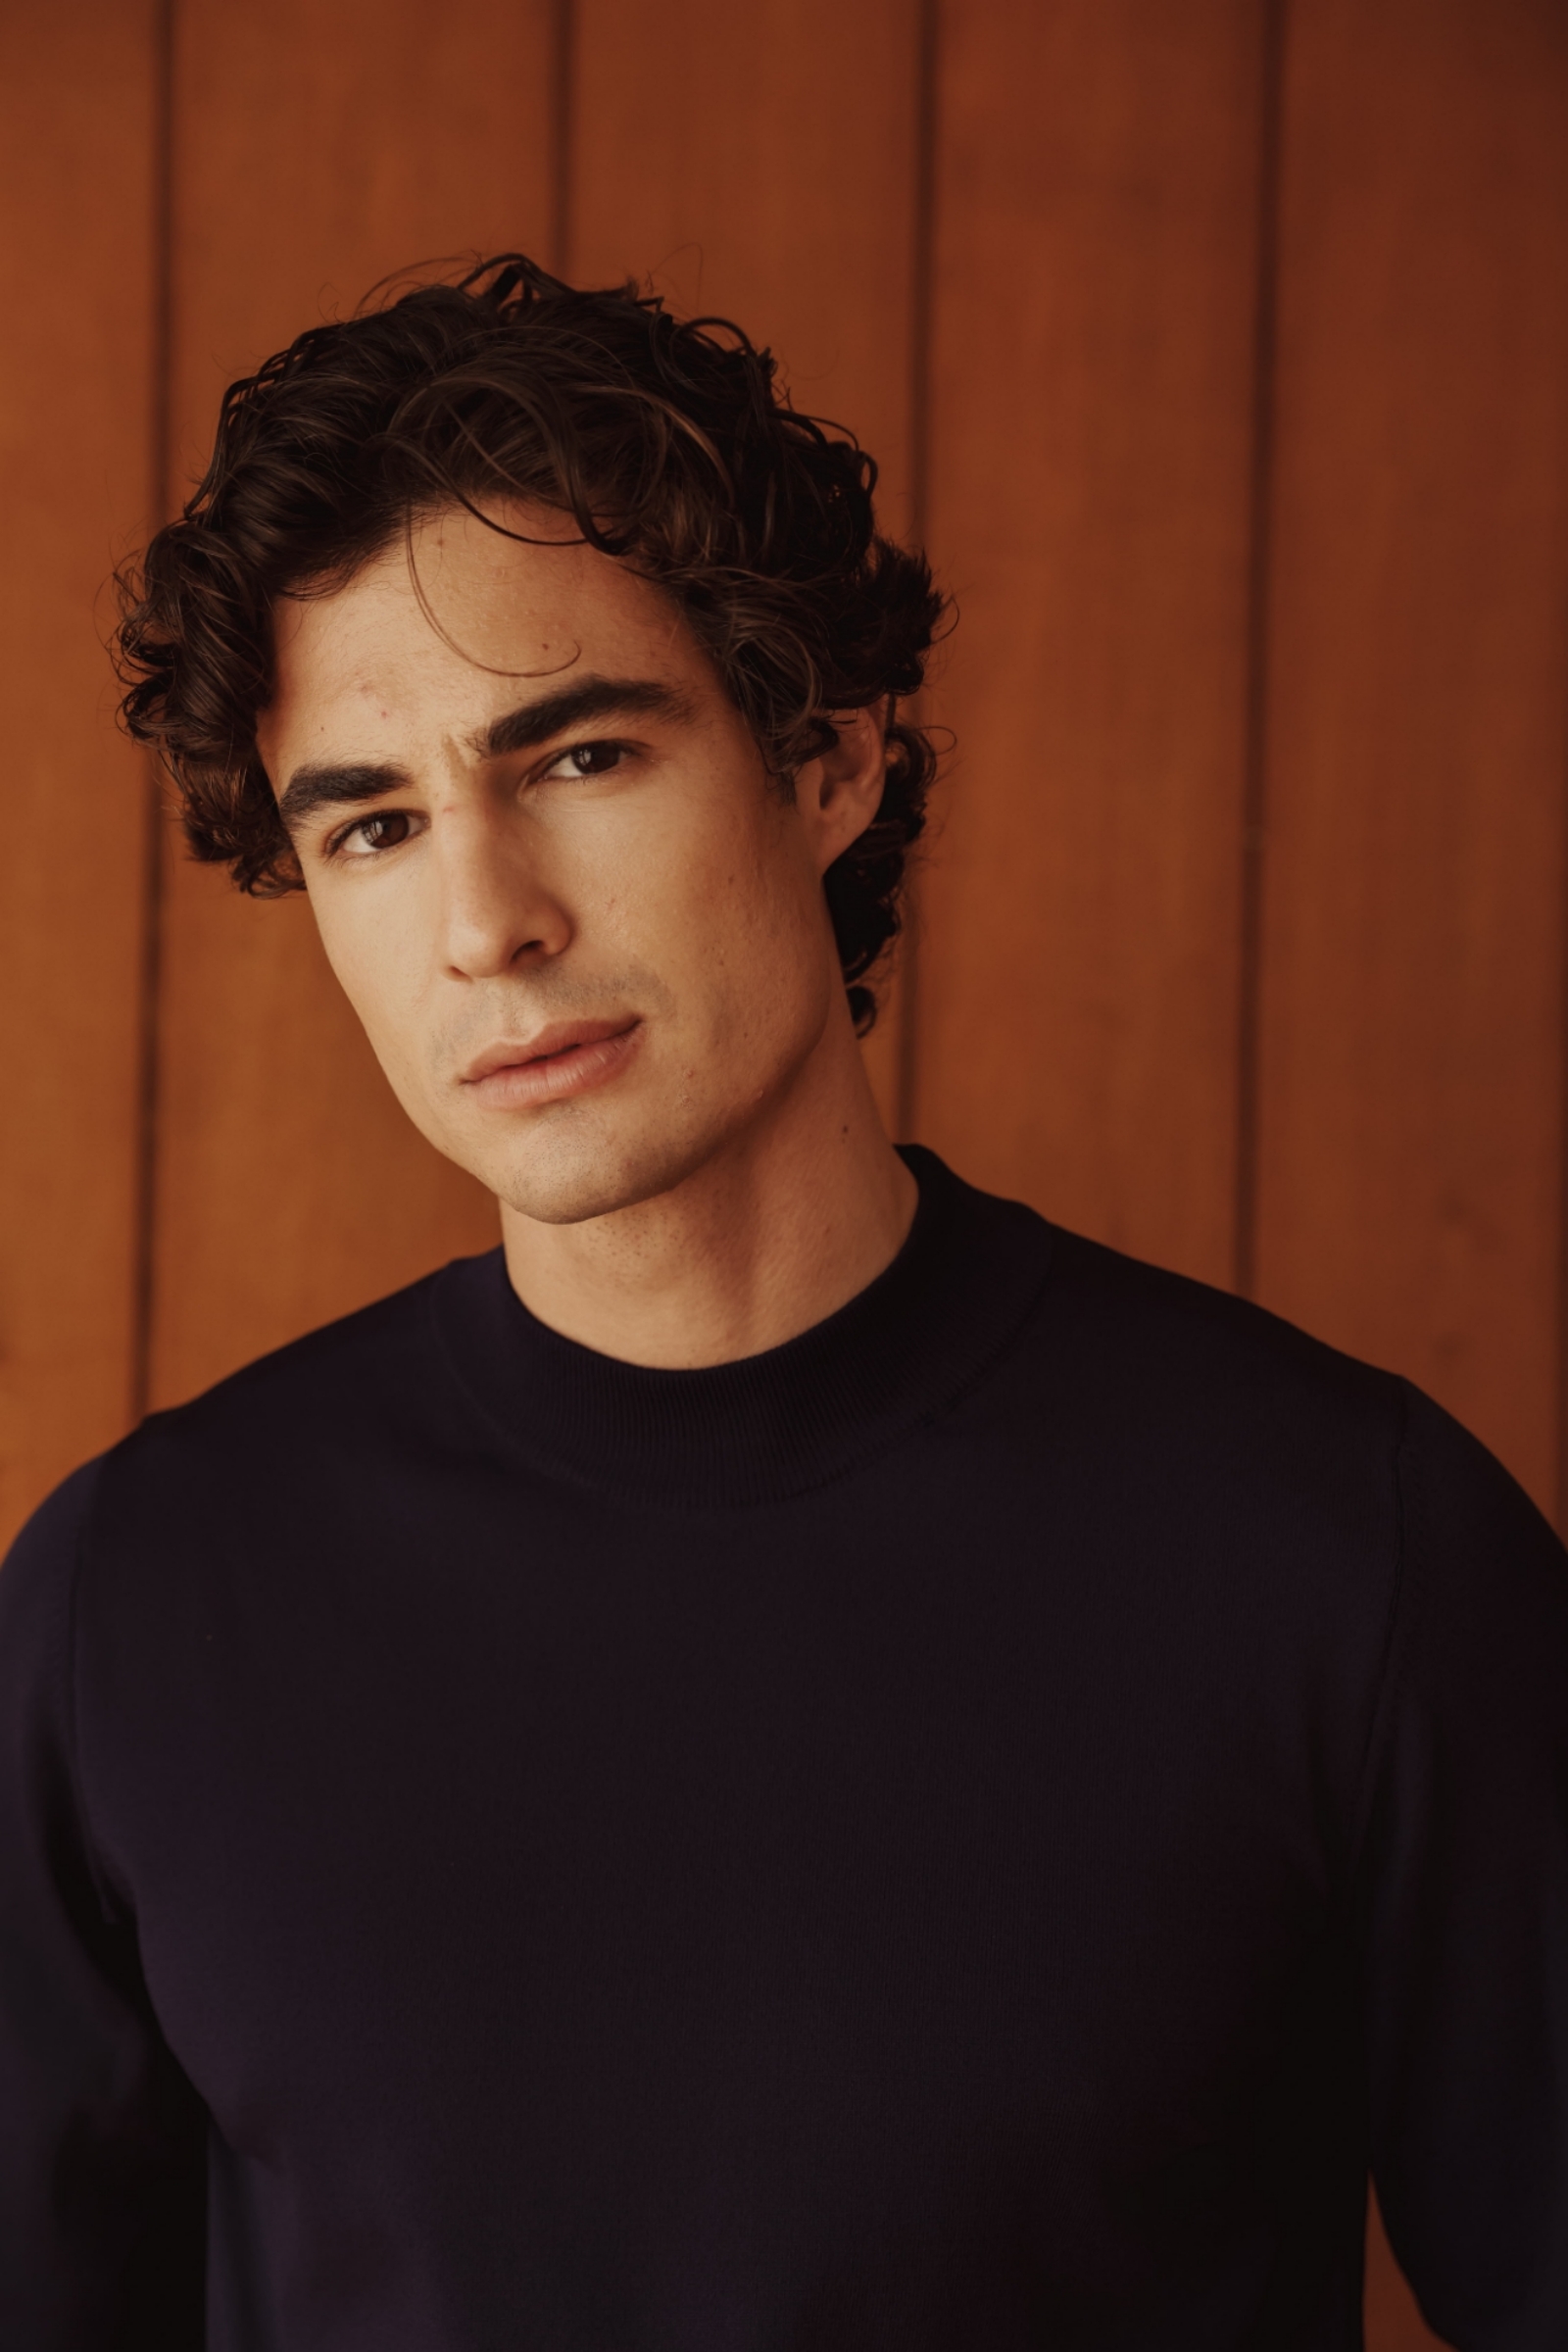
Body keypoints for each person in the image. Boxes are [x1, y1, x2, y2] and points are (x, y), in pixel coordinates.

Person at [2, 253, 1564, 2351]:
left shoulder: (1344, 1547)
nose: (483, 923)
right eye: (372, 826)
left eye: (577, 758)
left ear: (826, 760)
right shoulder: (133, 1604)